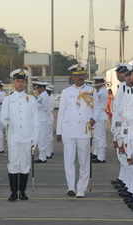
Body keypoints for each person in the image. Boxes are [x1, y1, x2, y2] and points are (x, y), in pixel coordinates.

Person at [56, 65, 95, 198]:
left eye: (82, 75)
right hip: (68, 130)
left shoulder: (91, 90)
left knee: (84, 161)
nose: (79, 77)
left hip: (84, 130)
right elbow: (61, 112)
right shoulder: (66, 92)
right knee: (69, 160)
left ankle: (81, 189)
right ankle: (71, 187)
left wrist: (93, 119)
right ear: (72, 77)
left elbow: (96, 109)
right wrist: (59, 131)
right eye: (77, 75)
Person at [1, 69, 39, 202]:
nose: (20, 84)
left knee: (25, 164)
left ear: (25, 83)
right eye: (17, 81)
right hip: (14, 137)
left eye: (22, 81)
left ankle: (22, 192)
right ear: (13, 83)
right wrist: (8, 124)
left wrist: (35, 138)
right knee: (13, 164)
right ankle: (13, 192)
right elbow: (3, 118)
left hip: (27, 137)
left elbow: (36, 120)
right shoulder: (8, 100)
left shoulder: (32, 99)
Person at [32, 81, 51, 163]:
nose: (37, 90)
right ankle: (43, 156)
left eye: (38, 88)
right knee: (42, 139)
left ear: (42, 88)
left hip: (42, 120)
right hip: (42, 119)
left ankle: (42, 158)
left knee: (42, 139)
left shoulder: (43, 96)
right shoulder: (42, 95)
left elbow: (37, 106)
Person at [92, 76, 108, 163]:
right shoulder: (100, 91)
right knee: (97, 137)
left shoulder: (102, 92)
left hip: (100, 116)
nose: (95, 84)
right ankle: (97, 154)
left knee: (100, 137)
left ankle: (101, 157)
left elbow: (97, 106)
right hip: (98, 116)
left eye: (96, 82)